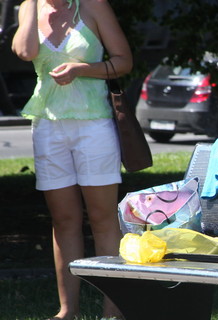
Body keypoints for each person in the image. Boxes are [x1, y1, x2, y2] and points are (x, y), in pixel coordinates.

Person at [11, 0, 132, 319]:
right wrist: (32, 6)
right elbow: (24, 51)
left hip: (94, 125)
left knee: (102, 218)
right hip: (48, 125)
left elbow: (123, 61)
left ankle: (112, 311)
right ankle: (68, 310)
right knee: (63, 220)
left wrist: (83, 69)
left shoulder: (93, 6)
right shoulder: (29, 7)